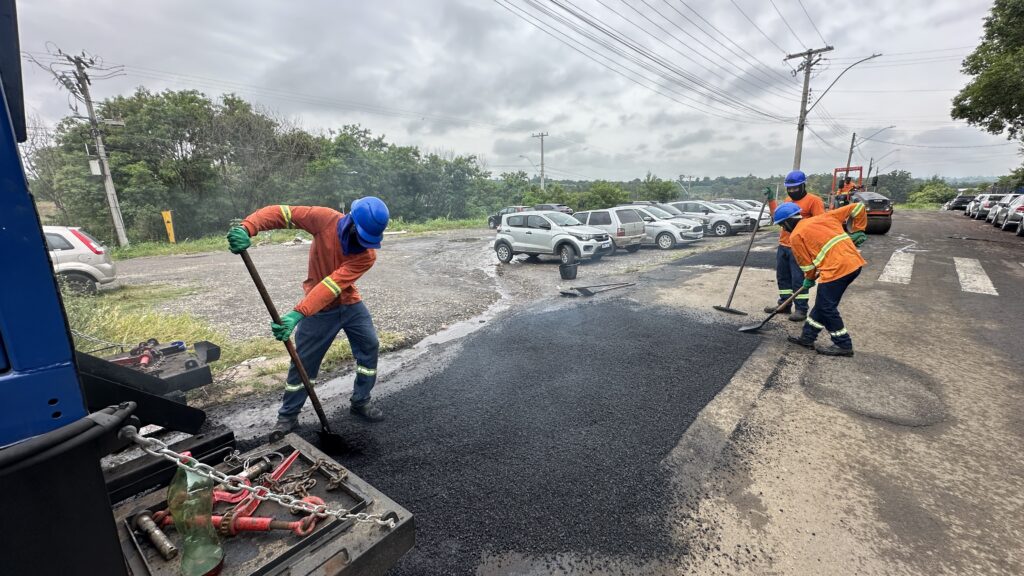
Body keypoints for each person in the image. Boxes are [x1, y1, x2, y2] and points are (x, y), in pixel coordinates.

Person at [226, 198, 390, 436]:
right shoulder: (324, 219)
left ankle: (360, 401)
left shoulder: (367, 255)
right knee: (303, 364)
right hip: (319, 311)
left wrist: (297, 313)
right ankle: (288, 417)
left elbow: (332, 285)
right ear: (351, 222)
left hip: (348, 304)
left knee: (370, 346)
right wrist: (247, 227)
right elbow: (280, 213)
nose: (363, 244)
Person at [773, 201, 868, 356]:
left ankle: (844, 344)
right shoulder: (825, 217)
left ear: (788, 222)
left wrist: (808, 279)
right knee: (822, 304)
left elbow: (807, 267)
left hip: (837, 270)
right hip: (854, 264)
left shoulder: (796, 236)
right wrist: (859, 229)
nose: (783, 229)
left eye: (782, 225)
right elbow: (858, 207)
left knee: (826, 307)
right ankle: (807, 337)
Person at [765, 170, 825, 321]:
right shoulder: (787, 200)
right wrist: (771, 200)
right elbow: (778, 217)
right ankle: (784, 304)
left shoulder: (814, 201)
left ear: (803, 185)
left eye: (795, 188)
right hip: (783, 245)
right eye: (789, 188)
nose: (792, 191)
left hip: (800, 247)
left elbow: (819, 224)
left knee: (798, 279)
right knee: (783, 277)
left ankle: (801, 309)